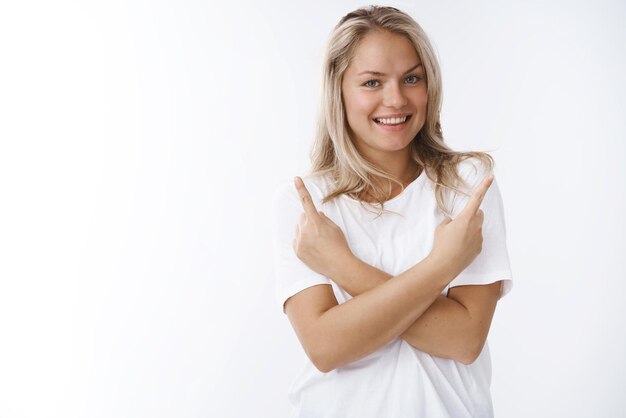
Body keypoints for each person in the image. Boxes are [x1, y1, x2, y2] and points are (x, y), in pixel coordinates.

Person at [271, 6, 513, 417]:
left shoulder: (466, 184)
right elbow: (327, 347)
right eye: (372, 82)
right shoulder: (305, 203)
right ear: (339, 89)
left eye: (411, 78)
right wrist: (441, 266)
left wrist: (342, 266)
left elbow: (465, 339)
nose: (396, 99)